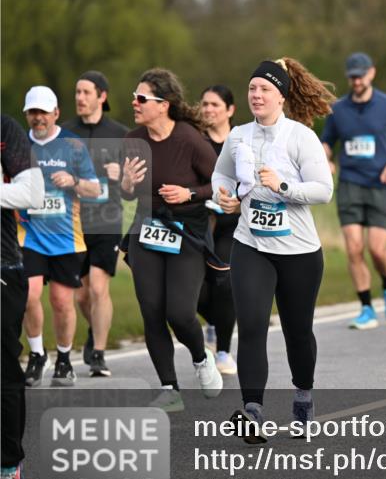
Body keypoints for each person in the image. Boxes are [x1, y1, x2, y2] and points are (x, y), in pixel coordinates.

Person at [213, 58, 334, 443]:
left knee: (297, 332)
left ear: (281, 96)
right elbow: (221, 174)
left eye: (265, 89)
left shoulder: (301, 137)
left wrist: (283, 187)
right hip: (251, 245)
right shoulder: (238, 136)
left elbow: (324, 190)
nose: (257, 95)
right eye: (252, 88)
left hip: (299, 252)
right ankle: (253, 411)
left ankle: (303, 397)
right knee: (251, 326)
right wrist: (225, 196)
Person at [120, 69, 223, 411]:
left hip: (186, 233)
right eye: (134, 97)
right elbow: (127, 193)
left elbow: (220, 184)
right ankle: (169, 388)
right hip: (146, 230)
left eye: (141, 98)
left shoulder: (189, 139)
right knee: (151, 311)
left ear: (163, 104)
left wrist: (188, 193)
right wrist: (126, 184)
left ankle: (201, 357)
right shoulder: (132, 140)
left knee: (179, 313)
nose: (134, 103)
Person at [321, 52, 386, 330]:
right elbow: (327, 142)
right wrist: (325, 159)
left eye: (361, 76)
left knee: (377, 250)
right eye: (352, 76)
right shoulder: (338, 109)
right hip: (350, 184)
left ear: (371, 73)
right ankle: (366, 308)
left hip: (380, 185)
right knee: (353, 248)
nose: (357, 81)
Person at [19, 86, 102, 387]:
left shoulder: (73, 146)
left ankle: (64, 359)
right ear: (26, 115)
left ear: (56, 113)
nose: (38, 118)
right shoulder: (18, 145)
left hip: (66, 237)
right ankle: (37, 354)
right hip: (28, 235)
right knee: (28, 295)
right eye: (33, 112)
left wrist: (73, 181)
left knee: (61, 301)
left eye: (43, 112)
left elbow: (95, 189)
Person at [63, 70, 129, 378]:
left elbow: (134, 185)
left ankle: (99, 354)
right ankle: (95, 331)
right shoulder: (64, 132)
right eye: (77, 92)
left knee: (99, 287)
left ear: (102, 96)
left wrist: (122, 175)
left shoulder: (121, 134)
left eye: (86, 92)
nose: (80, 98)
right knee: (81, 294)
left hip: (107, 220)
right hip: (74, 222)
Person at [1, 116, 44, 479]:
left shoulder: (5, 131)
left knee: (3, 374)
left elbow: (32, 192)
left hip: (1, 267)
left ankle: (7, 468)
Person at [197, 85, 238, 375]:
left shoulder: (241, 142)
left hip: (232, 225)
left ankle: (223, 351)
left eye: (215, 105)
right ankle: (213, 321)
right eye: (205, 104)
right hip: (200, 224)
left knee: (224, 282)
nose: (208, 109)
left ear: (230, 110)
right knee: (195, 290)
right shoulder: (195, 141)